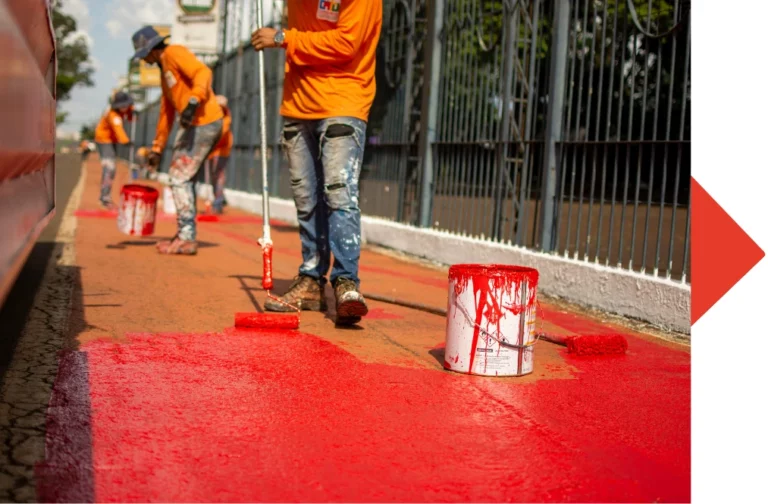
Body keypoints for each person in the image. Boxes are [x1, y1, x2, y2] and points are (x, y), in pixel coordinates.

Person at [251, 0, 382, 325]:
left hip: (343, 99)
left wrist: (283, 38)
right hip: (298, 103)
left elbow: (345, 44)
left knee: (339, 193)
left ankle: (345, 282)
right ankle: (310, 279)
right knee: (305, 197)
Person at [131, 25, 224, 255]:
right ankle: (185, 234)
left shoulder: (173, 52)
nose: (145, 61)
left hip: (205, 121)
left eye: (144, 56)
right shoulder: (164, 73)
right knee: (185, 178)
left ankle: (187, 237)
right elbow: (166, 113)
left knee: (179, 177)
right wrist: (157, 148)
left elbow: (203, 72)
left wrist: (194, 100)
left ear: (151, 50)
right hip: (194, 124)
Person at [93, 91, 134, 209]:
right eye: (123, 106)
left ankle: (105, 195)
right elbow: (118, 130)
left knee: (111, 168)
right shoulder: (112, 115)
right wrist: (126, 141)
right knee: (109, 168)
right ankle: (104, 197)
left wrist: (131, 112)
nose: (126, 108)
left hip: (112, 140)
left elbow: (130, 114)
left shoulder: (124, 110)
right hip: (104, 140)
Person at [205, 95, 233, 215]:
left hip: (222, 150)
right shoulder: (211, 115)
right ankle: (220, 198)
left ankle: (218, 201)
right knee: (213, 176)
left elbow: (220, 133)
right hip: (211, 151)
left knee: (219, 175)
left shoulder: (226, 118)